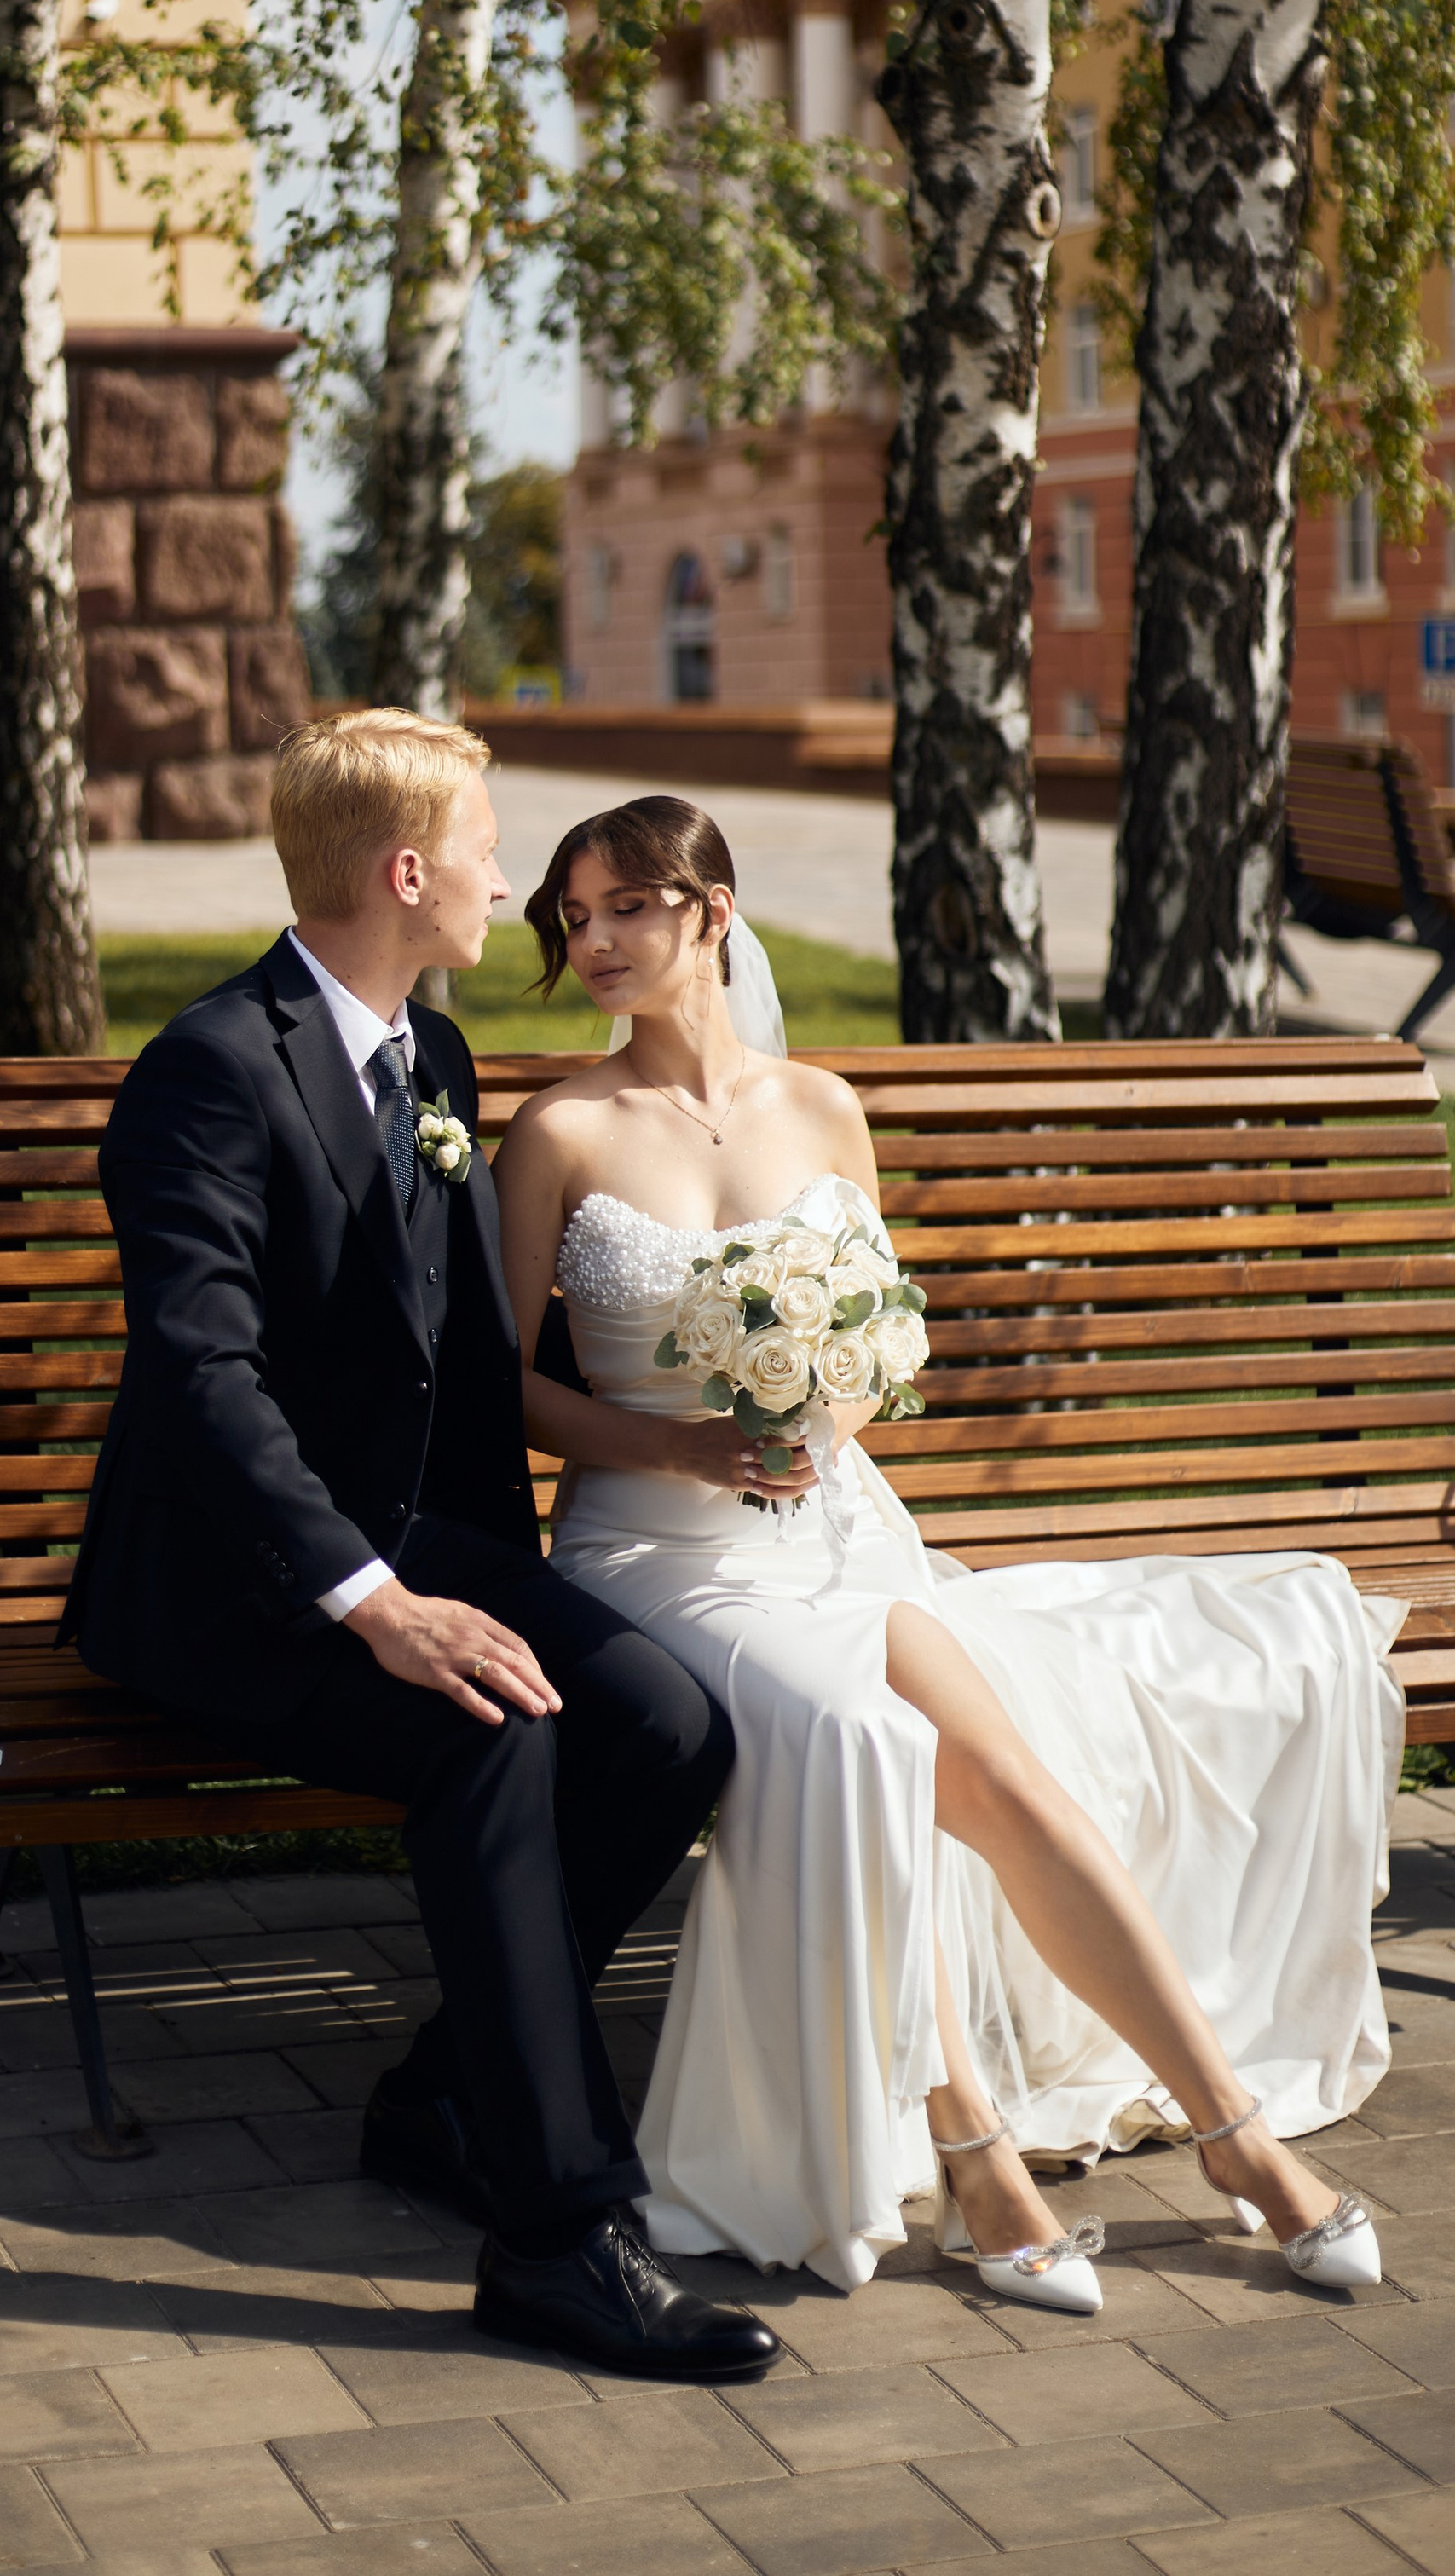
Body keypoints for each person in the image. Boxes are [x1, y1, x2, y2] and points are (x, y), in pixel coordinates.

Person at [493, 794, 1403, 2307]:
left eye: (628, 906)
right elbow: (499, 1387)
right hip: (659, 1555)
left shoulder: (822, 1108)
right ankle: (971, 2152)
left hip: (836, 1532)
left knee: (1004, 1777)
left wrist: (829, 1409)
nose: (594, 939)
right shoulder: (558, 1133)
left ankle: (1238, 2136)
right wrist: (682, 1447)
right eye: (573, 916)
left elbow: (871, 1334)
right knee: (861, 1745)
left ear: (714, 911)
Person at [63, 715, 781, 2382]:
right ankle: (558, 2236)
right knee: (491, 1735)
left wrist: (520, 1566)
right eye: (484, 850)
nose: (504, 883)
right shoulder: (208, 1072)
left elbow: (455, 1354)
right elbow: (203, 1382)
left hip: (414, 1540)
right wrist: (378, 1604)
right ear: (406, 875)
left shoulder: (432, 1058)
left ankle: (446, 2094)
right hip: (236, 1588)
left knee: (666, 1726)